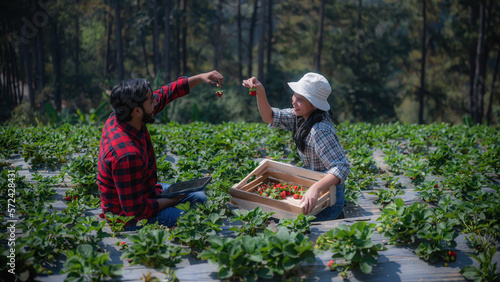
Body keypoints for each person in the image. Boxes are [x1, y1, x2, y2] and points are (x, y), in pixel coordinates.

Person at [97, 70, 224, 230]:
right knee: (192, 220)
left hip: (145, 191)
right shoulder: (127, 155)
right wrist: (173, 200)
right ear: (137, 111)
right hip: (127, 218)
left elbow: (166, 93)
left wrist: (200, 77)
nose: (155, 103)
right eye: (151, 102)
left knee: (199, 198)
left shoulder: (125, 116)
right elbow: (136, 211)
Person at [242, 72, 350, 220]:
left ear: (314, 105)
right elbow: (270, 117)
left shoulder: (319, 130)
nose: (293, 101)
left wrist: (315, 188)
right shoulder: (300, 116)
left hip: (329, 199)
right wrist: (260, 91)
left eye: (300, 99)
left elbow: (342, 166)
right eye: (294, 96)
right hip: (312, 187)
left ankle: (336, 214)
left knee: (282, 222)